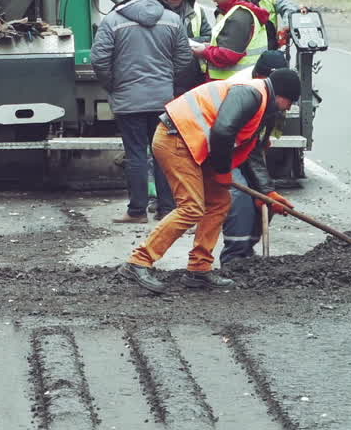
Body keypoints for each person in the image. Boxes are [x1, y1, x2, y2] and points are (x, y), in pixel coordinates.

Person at [119, 67, 300, 293]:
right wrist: (223, 171)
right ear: (281, 95)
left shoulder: (261, 104)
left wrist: (267, 192)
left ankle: (199, 269)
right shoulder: (251, 94)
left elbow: (250, 150)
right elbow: (223, 131)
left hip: (190, 142)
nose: (289, 108)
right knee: (192, 208)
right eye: (290, 102)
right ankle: (138, 262)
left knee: (219, 202)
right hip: (176, 138)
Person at [91, 0, 201, 224]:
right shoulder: (173, 19)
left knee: (136, 154)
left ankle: (137, 211)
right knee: (163, 153)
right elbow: (185, 58)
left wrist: (113, 85)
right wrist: (169, 83)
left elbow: (99, 59)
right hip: (163, 99)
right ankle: (166, 209)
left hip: (128, 100)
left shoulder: (113, 21)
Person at [221, 49, 291, 260]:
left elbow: (255, 143)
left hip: (240, 145)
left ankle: (247, 251)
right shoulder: (246, 89)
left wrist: (265, 191)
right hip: (220, 148)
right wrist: (264, 188)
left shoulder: (271, 90)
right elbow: (237, 140)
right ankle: (234, 256)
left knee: (261, 197)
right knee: (239, 197)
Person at [189, 0, 270, 79]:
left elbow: (227, 55)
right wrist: (209, 47)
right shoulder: (240, 11)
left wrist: (204, 51)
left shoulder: (239, 14)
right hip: (240, 81)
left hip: (233, 83)